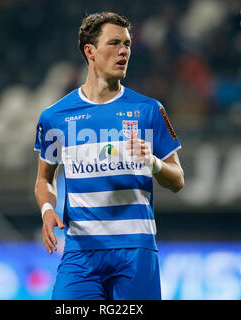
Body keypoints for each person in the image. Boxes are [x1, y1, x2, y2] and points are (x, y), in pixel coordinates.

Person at [34, 12, 184, 300]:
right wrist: (47, 211)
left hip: (135, 250)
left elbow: (177, 180)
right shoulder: (55, 117)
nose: (124, 51)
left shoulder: (149, 109)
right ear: (90, 51)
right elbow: (44, 180)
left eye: (127, 44)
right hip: (81, 251)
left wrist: (153, 163)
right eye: (114, 43)